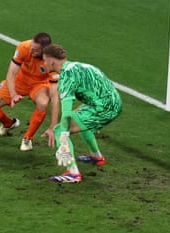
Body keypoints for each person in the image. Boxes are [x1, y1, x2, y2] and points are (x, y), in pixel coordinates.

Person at [41, 44, 122, 183]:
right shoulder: (77, 66)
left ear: (51, 61)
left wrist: (64, 139)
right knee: (79, 117)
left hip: (103, 108)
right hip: (113, 101)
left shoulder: (66, 78)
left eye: (44, 60)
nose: (43, 63)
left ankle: (73, 173)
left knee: (60, 129)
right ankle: (96, 157)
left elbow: (66, 114)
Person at [0, 33, 59, 151]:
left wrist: (53, 125)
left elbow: (55, 96)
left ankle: (28, 137)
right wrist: (13, 94)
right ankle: (9, 123)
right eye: (32, 47)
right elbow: (11, 73)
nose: (32, 51)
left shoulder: (54, 61)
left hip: (39, 85)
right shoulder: (24, 47)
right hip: (19, 81)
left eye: (36, 50)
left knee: (43, 103)